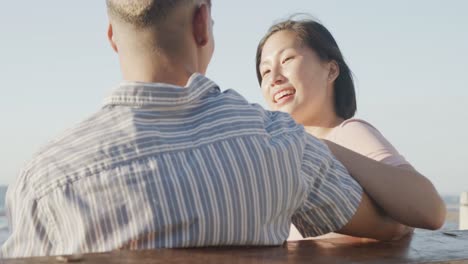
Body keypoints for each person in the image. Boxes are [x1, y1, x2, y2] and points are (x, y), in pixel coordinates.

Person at [1, 1, 444, 259]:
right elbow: (390, 228)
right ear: (201, 23)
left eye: (286, 61)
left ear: (112, 37)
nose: (272, 77)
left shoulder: (42, 177)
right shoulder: (282, 145)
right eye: (264, 67)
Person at [255, 17, 445, 240]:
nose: (274, 78)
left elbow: (431, 211)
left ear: (331, 70)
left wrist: (323, 148)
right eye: (265, 72)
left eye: (287, 59)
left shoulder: (348, 133)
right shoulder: (281, 154)